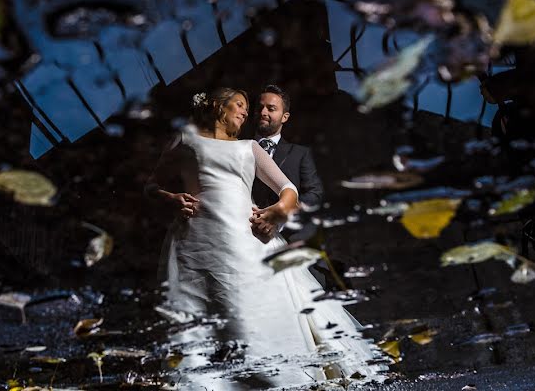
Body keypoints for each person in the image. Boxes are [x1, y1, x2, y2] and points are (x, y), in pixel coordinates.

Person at [145, 87, 387, 388]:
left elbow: (289, 189)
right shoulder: (185, 140)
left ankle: (271, 375)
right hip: (195, 238)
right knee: (195, 311)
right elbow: (151, 185)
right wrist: (171, 198)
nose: (246, 112)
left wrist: (278, 211)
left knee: (248, 303)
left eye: (247, 108)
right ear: (218, 106)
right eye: (240, 105)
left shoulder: (249, 147)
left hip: (243, 235)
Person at [250, 84, 332, 289]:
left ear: (285, 116)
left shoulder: (300, 153)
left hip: (297, 243)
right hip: (251, 241)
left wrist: (282, 215)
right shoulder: (240, 150)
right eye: (260, 107)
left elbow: (315, 193)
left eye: (271, 108)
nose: (263, 112)